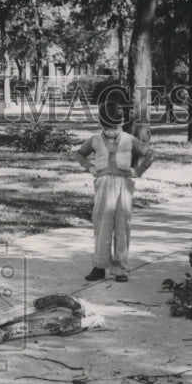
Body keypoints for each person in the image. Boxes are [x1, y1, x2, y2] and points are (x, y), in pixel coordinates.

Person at [71, 101, 154, 282]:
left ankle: (120, 268)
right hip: (103, 185)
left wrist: (137, 171)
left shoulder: (129, 139)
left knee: (122, 225)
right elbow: (78, 154)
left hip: (124, 185)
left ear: (122, 123)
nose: (112, 131)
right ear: (101, 124)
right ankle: (100, 266)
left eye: (115, 127)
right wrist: (90, 167)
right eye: (108, 128)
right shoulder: (94, 140)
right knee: (102, 224)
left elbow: (149, 153)